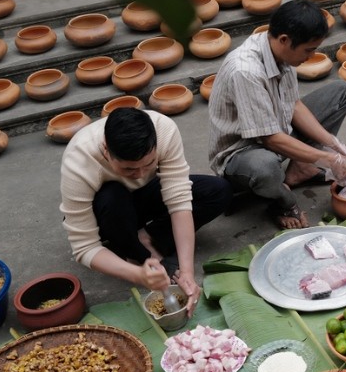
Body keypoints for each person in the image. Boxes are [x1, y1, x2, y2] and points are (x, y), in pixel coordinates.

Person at [208, 0, 346, 229]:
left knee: (340, 93)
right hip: (241, 153)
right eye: (308, 50)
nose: (311, 56)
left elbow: (294, 106)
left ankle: (300, 168)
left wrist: (335, 146)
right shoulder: (246, 71)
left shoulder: (282, 53)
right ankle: (281, 201)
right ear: (284, 40)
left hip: (277, 132)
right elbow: (269, 138)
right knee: (265, 167)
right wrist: (331, 160)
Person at [60, 107, 233, 316]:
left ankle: (149, 236)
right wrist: (138, 275)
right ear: (106, 151)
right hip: (107, 210)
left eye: (149, 164)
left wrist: (187, 271)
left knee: (218, 190)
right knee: (112, 195)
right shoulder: (78, 161)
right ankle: (135, 253)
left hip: (143, 196)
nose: (140, 174)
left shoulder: (164, 130)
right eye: (129, 169)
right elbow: (84, 247)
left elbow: (178, 200)